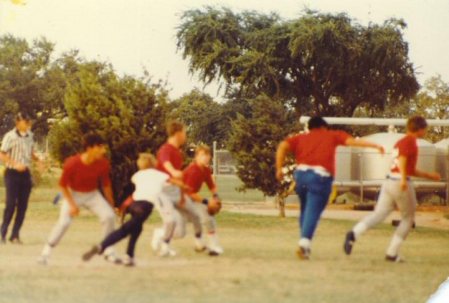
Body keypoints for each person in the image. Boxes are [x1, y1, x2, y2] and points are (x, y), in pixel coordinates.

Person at [275, 116, 384, 260]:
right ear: (324, 126)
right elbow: (353, 142)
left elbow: (282, 146)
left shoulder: (301, 137)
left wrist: (279, 168)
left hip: (301, 176)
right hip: (320, 177)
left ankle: (304, 243)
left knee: (305, 209)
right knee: (313, 211)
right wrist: (375, 146)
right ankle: (304, 243)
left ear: (310, 127)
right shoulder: (332, 135)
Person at [344, 116, 440, 262]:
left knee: (380, 213)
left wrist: (429, 175)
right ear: (420, 129)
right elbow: (402, 161)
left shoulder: (401, 141)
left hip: (389, 180)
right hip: (399, 182)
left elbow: (409, 168)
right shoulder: (410, 142)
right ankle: (392, 253)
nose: (426, 131)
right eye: (425, 128)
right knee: (408, 218)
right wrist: (402, 179)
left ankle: (354, 233)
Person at [38, 134, 120, 265]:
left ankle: (108, 250)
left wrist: (111, 205)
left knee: (109, 216)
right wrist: (72, 205)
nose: (103, 151)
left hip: (93, 194)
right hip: (73, 194)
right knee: (64, 222)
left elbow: (106, 185)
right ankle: (45, 253)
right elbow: (63, 186)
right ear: (89, 148)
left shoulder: (103, 163)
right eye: (100, 147)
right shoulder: (72, 163)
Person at [82, 153, 176, 266]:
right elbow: (171, 183)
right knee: (124, 230)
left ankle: (129, 256)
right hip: (145, 207)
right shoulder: (160, 175)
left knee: (137, 229)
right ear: (153, 163)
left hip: (134, 205)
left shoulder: (137, 175)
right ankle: (102, 246)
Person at [151, 120, 204, 257]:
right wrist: (173, 171)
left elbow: (179, 178)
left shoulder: (178, 152)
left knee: (192, 219)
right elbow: (165, 162)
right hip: (163, 192)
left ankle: (199, 242)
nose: (185, 136)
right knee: (171, 221)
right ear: (178, 133)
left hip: (176, 191)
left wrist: (181, 196)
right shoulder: (165, 150)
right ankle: (164, 247)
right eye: (184, 132)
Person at [0, 112, 41, 244]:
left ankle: (15, 235)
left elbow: (31, 152)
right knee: (11, 204)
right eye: (25, 121)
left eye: (28, 121)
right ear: (18, 123)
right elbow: (2, 154)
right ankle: (3, 232)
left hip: (25, 174)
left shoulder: (30, 136)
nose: (28, 123)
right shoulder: (10, 136)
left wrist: (38, 158)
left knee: (23, 206)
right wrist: (14, 163)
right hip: (12, 173)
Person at [183, 145, 223, 256]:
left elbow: (211, 186)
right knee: (177, 229)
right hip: (180, 199)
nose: (205, 157)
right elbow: (189, 193)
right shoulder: (193, 170)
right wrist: (206, 202)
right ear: (196, 156)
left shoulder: (205, 170)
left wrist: (215, 196)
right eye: (202, 155)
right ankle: (160, 238)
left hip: (190, 199)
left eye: (207, 154)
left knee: (207, 218)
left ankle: (212, 246)